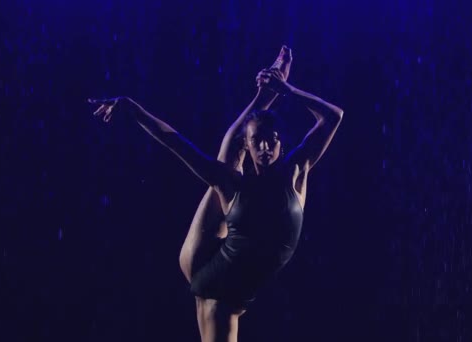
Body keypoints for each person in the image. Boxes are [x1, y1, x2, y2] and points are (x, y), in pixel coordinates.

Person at [88, 46, 343, 342]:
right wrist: (133, 110)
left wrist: (286, 90)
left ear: (280, 144)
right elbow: (176, 143)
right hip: (218, 289)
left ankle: (269, 89)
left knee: (227, 157)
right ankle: (266, 92)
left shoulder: (297, 169)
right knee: (226, 160)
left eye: (270, 141)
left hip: (213, 258)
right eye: (256, 142)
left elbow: (333, 116)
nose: (264, 148)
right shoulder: (234, 184)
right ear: (249, 147)